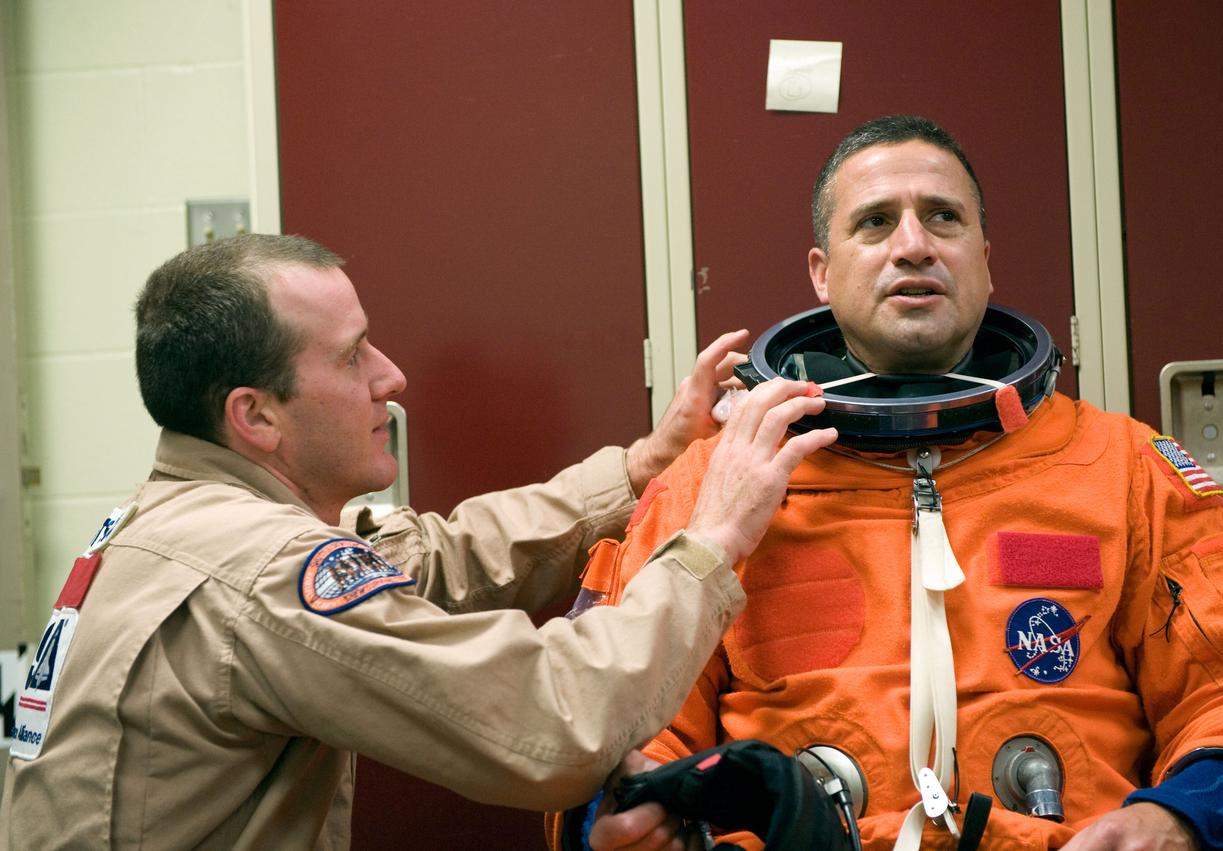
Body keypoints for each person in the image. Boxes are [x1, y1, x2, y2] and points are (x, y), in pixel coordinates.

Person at [574, 116, 1223, 850]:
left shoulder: (1125, 469)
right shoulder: (713, 487)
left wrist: (1180, 819)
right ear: (822, 271)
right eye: (875, 223)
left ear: (984, 256)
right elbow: (610, 722)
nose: (913, 244)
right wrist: (634, 816)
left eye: (942, 217)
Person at [0, 233, 839, 848]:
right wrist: (713, 533)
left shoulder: (174, 518)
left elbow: (432, 553)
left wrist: (644, 466)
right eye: (352, 354)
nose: (390, 376)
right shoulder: (257, 574)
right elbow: (555, 721)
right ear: (254, 415)